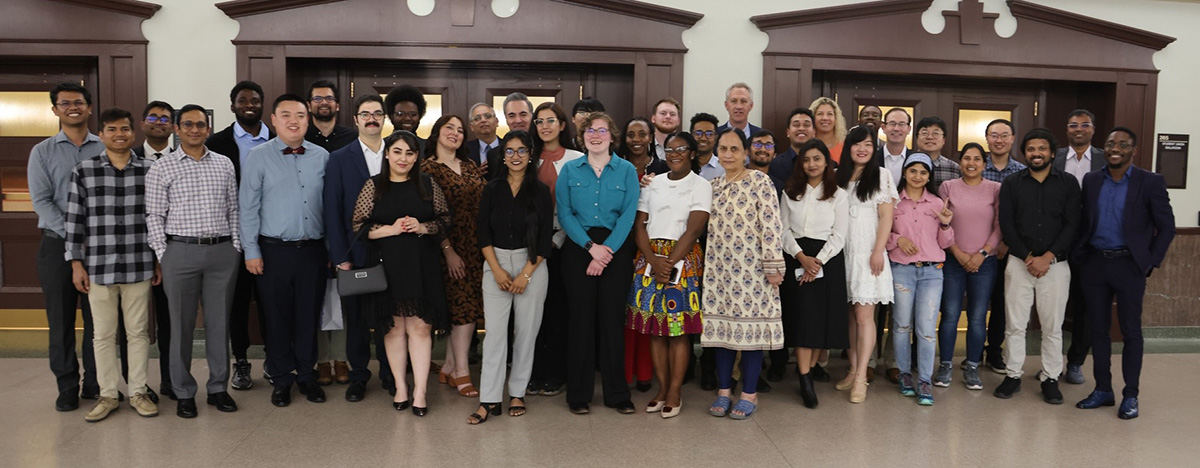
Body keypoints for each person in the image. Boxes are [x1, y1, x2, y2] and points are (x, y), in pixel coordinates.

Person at [145, 104, 241, 418]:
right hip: (180, 253)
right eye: (188, 124)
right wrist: (164, 254)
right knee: (181, 325)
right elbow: (154, 215)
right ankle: (184, 391)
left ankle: (217, 388)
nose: (195, 129)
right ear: (177, 129)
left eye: (201, 124)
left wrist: (236, 247)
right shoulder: (163, 167)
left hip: (221, 253)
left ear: (208, 129)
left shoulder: (224, 164)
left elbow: (234, 209)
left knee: (218, 324)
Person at [65, 108, 160, 422]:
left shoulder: (150, 171)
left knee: (138, 333)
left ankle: (138, 392)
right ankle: (107, 395)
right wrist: (76, 264)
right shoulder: (84, 171)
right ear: (102, 134)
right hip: (99, 267)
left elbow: (156, 219)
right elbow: (74, 222)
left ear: (133, 133)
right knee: (103, 335)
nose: (119, 134)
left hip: (138, 264)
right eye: (112, 129)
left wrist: (158, 260)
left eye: (125, 129)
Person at [1074, 127, 1175, 420]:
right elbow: (1085, 220)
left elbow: (1166, 226)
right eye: (1109, 143)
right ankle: (1103, 389)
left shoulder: (1150, 181)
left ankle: (1131, 394)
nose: (1114, 148)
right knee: (1098, 330)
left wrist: (1149, 261)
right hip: (1094, 263)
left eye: (1122, 144)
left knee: (1131, 332)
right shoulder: (1092, 180)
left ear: (1133, 150)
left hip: (1129, 265)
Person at [241, 94, 331, 407]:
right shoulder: (258, 156)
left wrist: (332, 248)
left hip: (313, 250)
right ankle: (281, 379)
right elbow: (248, 207)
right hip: (272, 251)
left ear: (308, 120)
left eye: (300, 115)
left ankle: (307, 376)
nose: (294, 120)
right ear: (274, 120)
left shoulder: (322, 156)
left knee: (309, 315)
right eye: (286, 115)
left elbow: (330, 207)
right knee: (276, 318)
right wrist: (250, 250)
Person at [353, 131, 451, 416]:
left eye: (409, 153)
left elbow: (445, 220)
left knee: (420, 327)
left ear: (417, 156)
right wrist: (391, 229)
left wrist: (422, 227)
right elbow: (358, 226)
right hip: (387, 266)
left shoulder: (427, 185)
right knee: (394, 329)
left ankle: (420, 391)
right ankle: (401, 387)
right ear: (386, 154)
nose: (403, 158)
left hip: (422, 265)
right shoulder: (374, 186)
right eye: (397, 152)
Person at [468, 130, 554, 424]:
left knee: (526, 334)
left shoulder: (541, 191)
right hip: (496, 263)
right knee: (494, 335)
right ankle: (488, 399)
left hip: (532, 264)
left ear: (531, 155)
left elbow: (544, 240)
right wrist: (497, 269)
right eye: (509, 151)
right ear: (502, 156)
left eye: (520, 151)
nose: (515, 156)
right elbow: (482, 232)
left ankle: (517, 392)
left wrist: (525, 275)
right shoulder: (491, 189)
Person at [557, 112, 640, 415]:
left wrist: (605, 253)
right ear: (581, 137)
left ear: (611, 136)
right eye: (589, 130)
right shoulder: (569, 170)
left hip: (615, 250)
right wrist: (591, 248)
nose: (595, 135)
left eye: (601, 130)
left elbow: (629, 216)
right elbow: (565, 214)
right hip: (579, 247)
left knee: (611, 321)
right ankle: (578, 394)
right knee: (580, 321)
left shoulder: (627, 170)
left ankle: (618, 393)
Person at [29, 82, 104, 411]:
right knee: (60, 322)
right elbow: (42, 202)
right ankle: (66, 385)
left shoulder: (105, 148)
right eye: (65, 103)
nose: (72, 107)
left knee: (98, 321)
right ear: (55, 110)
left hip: (99, 249)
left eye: (79, 102)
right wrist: (74, 236)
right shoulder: (42, 152)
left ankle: (94, 383)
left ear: (89, 107)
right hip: (56, 246)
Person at [703, 128, 785, 421]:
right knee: (722, 334)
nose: (727, 154)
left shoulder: (760, 182)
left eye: (734, 149)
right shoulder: (712, 186)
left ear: (745, 152)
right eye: (722, 149)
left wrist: (774, 267)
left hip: (754, 273)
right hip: (719, 272)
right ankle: (724, 391)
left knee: (751, 335)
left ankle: (749, 393)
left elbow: (773, 226)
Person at [627, 131, 711, 418]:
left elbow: (694, 229)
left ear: (691, 153)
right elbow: (640, 225)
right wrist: (653, 259)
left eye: (681, 149)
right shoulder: (653, 183)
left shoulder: (700, 185)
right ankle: (661, 389)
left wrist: (670, 262)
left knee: (677, 332)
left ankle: (675, 390)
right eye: (669, 149)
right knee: (654, 329)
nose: (674, 154)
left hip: (683, 261)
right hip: (649, 259)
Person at [994, 128, 1081, 405]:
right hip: (1020, 263)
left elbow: (1073, 223)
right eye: (1031, 149)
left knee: (1052, 326)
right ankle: (1013, 374)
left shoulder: (1068, 183)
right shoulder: (1012, 183)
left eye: (1042, 149)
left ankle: (1051, 378)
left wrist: (1048, 256)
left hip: (1056, 265)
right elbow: (1006, 223)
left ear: (1052, 153)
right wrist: (1028, 256)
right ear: (1025, 153)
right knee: (1015, 324)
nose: (1036, 153)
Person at [324, 94, 391, 402]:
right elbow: (332, 211)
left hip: (395, 251)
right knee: (358, 319)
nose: (372, 119)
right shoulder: (339, 157)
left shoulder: (399, 153)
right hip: (356, 252)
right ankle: (359, 375)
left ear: (385, 118)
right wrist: (340, 257)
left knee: (391, 318)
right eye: (365, 114)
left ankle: (391, 374)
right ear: (356, 120)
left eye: (377, 113)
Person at [205, 80, 272, 391]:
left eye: (255, 100)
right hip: (234, 236)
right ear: (232, 106)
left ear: (262, 105)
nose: (249, 104)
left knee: (273, 302)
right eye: (243, 100)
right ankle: (241, 362)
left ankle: (274, 359)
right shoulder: (217, 143)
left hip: (273, 235)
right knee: (238, 303)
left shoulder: (279, 138)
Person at [779, 139, 848, 408]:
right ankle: (804, 378)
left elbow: (839, 235)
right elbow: (783, 229)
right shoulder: (790, 191)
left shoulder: (838, 194)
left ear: (827, 162)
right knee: (803, 321)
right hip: (796, 254)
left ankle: (810, 368)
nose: (811, 164)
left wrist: (816, 262)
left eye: (817, 159)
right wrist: (800, 257)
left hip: (826, 260)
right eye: (806, 160)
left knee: (820, 321)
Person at [420, 115, 486, 398]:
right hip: (445, 248)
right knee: (462, 311)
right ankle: (461, 370)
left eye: (460, 130)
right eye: (450, 128)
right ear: (437, 132)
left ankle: (448, 365)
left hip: (475, 247)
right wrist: (448, 250)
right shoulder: (426, 169)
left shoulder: (469, 166)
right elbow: (428, 215)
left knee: (467, 309)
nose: (456, 134)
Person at [887, 153, 955, 406]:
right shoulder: (893, 203)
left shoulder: (937, 204)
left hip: (932, 272)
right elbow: (881, 235)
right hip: (902, 270)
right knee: (902, 324)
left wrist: (946, 225)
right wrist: (897, 240)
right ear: (904, 173)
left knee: (926, 330)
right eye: (913, 171)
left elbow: (946, 243)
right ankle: (905, 374)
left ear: (929, 177)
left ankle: (924, 379)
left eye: (923, 172)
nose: (918, 176)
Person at [836, 126, 896, 402]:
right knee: (848, 316)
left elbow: (886, 218)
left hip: (868, 253)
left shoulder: (881, 176)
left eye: (869, 145)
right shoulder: (838, 177)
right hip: (842, 253)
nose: (862, 149)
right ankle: (851, 368)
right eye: (857, 144)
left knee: (864, 317)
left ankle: (862, 376)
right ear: (848, 147)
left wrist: (877, 251)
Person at [934, 143, 1001, 391]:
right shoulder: (948, 187)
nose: (971, 163)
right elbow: (942, 222)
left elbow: (999, 226)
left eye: (976, 159)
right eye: (966, 158)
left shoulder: (995, 189)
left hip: (985, 262)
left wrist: (982, 254)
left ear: (985, 164)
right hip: (953, 259)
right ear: (959, 162)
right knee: (950, 314)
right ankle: (946, 365)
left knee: (976, 317)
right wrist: (958, 253)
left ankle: (972, 366)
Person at [527, 102, 583, 396]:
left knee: (558, 311)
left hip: (564, 245)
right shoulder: (526, 157)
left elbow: (577, 207)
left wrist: (556, 238)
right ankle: (532, 372)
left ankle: (554, 373)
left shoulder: (577, 159)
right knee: (530, 312)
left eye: (551, 120)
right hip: (528, 245)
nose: (545, 126)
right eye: (539, 121)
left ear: (563, 125)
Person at [1054, 109, 1105, 386]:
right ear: (1067, 129)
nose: (1079, 129)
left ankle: (1075, 363)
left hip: (1092, 244)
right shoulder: (1056, 157)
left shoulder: (1104, 158)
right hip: (1058, 241)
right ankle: (1051, 363)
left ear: (1093, 129)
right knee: (1054, 305)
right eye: (1073, 125)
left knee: (1086, 306)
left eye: (1085, 125)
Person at [617, 116, 666, 392]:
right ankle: (624, 371)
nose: (636, 139)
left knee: (648, 308)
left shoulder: (662, 168)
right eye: (631, 134)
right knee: (624, 311)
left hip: (651, 244)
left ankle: (646, 371)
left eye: (642, 134)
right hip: (620, 244)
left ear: (651, 138)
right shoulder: (615, 165)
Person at [134, 101, 176, 400]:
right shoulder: (126, 157)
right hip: (130, 252)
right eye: (153, 117)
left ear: (173, 126)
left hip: (168, 255)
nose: (159, 122)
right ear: (142, 124)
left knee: (168, 321)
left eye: (165, 118)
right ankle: (133, 385)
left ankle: (170, 380)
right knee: (132, 325)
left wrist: (163, 256)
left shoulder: (181, 159)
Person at [981, 118, 1025, 375]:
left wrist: (1006, 242)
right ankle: (974, 352)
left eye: (1004, 135)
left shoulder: (1020, 172)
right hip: (975, 249)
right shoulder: (974, 166)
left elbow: (1022, 213)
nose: (998, 139)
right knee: (977, 303)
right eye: (993, 135)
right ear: (987, 138)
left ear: (1012, 138)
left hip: (1007, 250)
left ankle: (994, 350)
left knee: (1001, 302)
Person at [768, 107, 815, 195]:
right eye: (796, 125)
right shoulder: (774, 165)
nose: (801, 128)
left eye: (806, 125)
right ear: (788, 132)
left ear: (814, 132)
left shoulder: (824, 165)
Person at [305, 79, 358, 152]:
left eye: (329, 98)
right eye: (317, 98)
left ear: (337, 105)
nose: (324, 102)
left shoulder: (353, 137)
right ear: (309, 106)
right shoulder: (302, 137)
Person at [913, 117, 961, 195]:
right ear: (917, 139)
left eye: (936, 133)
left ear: (944, 140)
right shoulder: (906, 164)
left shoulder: (954, 168)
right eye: (924, 133)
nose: (930, 137)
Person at [385, 85, 427, 154]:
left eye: (413, 114)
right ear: (391, 116)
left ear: (420, 116)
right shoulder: (381, 146)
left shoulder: (429, 148)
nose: (407, 118)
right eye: (400, 114)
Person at [466, 102, 501, 180]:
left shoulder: (508, 146)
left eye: (487, 116)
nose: (483, 120)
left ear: (496, 122)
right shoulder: (464, 150)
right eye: (477, 118)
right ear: (471, 127)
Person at [876, 108, 912, 184]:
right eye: (892, 123)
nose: (896, 129)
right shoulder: (872, 158)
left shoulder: (914, 159)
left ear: (909, 129)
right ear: (883, 128)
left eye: (902, 124)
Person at [691, 113, 723, 181]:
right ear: (691, 136)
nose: (703, 138)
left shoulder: (724, 168)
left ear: (716, 137)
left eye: (709, 134)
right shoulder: (683, 165)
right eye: (698, 133)